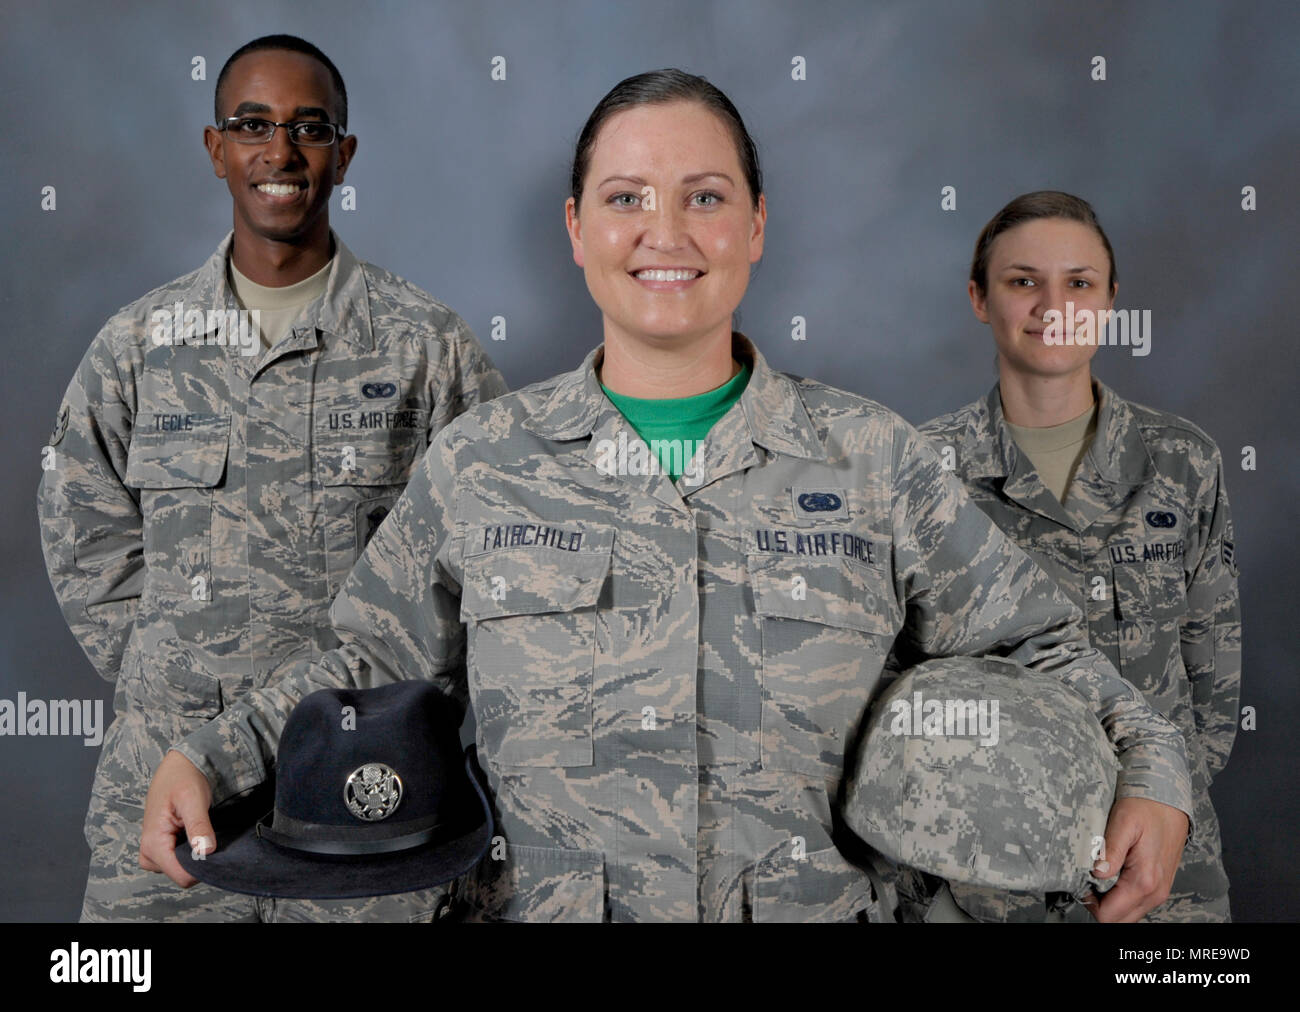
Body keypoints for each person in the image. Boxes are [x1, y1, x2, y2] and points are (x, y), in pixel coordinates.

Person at [141, 71, 1194, 923]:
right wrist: (208, 755)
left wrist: (1153, 773)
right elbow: (366, 665)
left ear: (755, 225)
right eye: (626, 197)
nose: (666, 231)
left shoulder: (872, 460)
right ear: (575, 227)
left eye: (705, 196)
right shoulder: (484, 461)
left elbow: (1039, 647)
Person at [37, 34, 506, 922]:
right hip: (169, 803)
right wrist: (179, 664)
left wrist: (383, 705)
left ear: (345, 153)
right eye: (253, 125)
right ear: (216, 149)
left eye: (310, 127)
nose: (280, 152)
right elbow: (82, 532)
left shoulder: (427, 349)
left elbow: (484, 562)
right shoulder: (138, 347)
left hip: (367, 807)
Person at [907, 192, 1240, 922]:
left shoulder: (1183, 464)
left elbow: (1212, 695)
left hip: (1164, 883)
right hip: (984, 887)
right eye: (1023, 281)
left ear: (1111, 301)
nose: (1053, 304)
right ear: (978, 298)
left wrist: (1157, 809)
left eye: (1080, 282)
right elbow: (904, 696)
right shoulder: (920, 473)